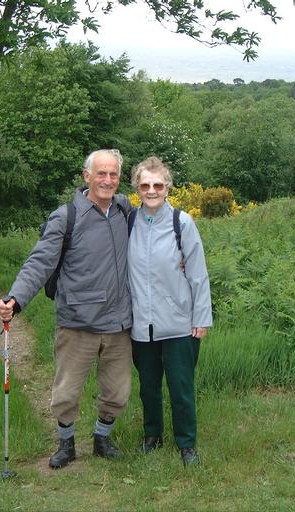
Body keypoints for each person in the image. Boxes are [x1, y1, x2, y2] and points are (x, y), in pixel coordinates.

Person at [0, 149, 132, 469]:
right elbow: (39, 263)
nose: (107, 180)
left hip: (118, 323)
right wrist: (15, 300)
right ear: (87, 176)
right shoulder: (67, 216)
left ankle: (102, 439)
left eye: (113, 174)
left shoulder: (125, 210)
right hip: (77, 323)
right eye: (101, 173)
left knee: (117, 392)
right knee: (66, 393)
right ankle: (66, 444)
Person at [127, 156, 212, 467]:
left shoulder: (182, 223)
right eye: (145, 185)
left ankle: (186, 444)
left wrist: (201, 318)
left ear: (167, 188)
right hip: (141, 324)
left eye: (158, 185)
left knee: (181, 388)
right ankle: (152, 436)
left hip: (179, 324)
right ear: (137, 187)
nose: (151, 190)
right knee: (148, 387)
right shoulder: (129, 221)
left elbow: (198, 274)